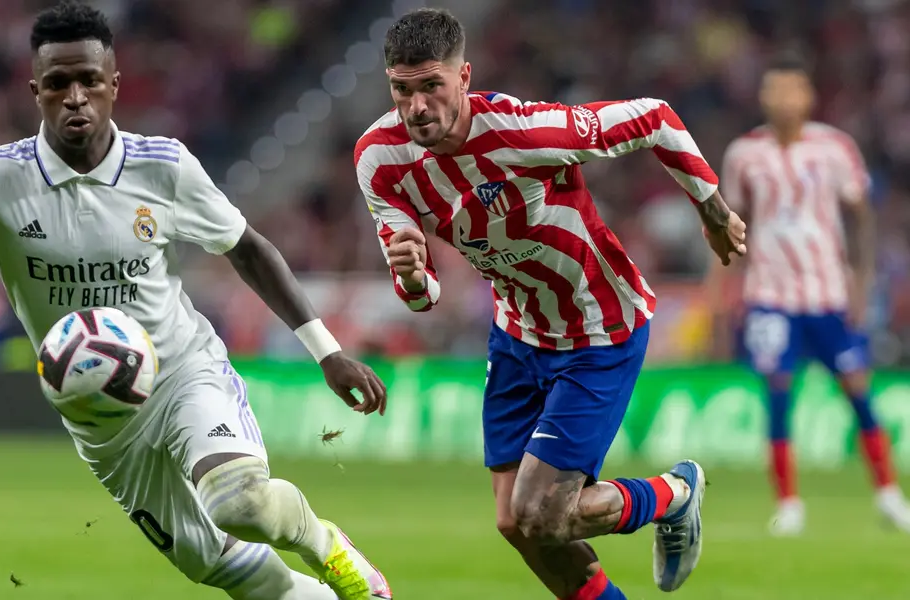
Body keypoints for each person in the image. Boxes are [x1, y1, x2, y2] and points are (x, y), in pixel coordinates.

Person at [0, 3, 392, 599]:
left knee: (237, 501)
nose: (75, 97)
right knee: (226, 571)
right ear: (36, 92)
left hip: (182, 374)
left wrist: (326, 351)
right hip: (100, 418)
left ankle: (326, 547)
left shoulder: (163, 167)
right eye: (58, 84)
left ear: (114, 86)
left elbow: (247, 249)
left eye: (89, 81)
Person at [355, 8, 747, 599]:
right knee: (518, 524)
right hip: (516, 332)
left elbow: (655, 119)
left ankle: (675, 494)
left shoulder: (526, 131)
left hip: (598, 328)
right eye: (402, 90)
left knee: (541, 513)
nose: (417, 107)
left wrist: (712, 209)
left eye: (432, 86)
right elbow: (423, 295)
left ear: (464, 78)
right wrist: (411, 277)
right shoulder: (379, 161)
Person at [710, 53, 910, 536]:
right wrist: (722, 289)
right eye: (775, 90)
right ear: (763, 97)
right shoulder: (744, 154)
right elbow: (726, 224)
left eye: (793, 90)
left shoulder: (834, 148)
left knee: (857, 388)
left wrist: (861, 282)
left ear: (808, 96)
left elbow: (861, 216)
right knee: (778, 392)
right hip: (770, 293)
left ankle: (888, 495)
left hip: (828, 292)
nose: (784, 99)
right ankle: (789, 504)